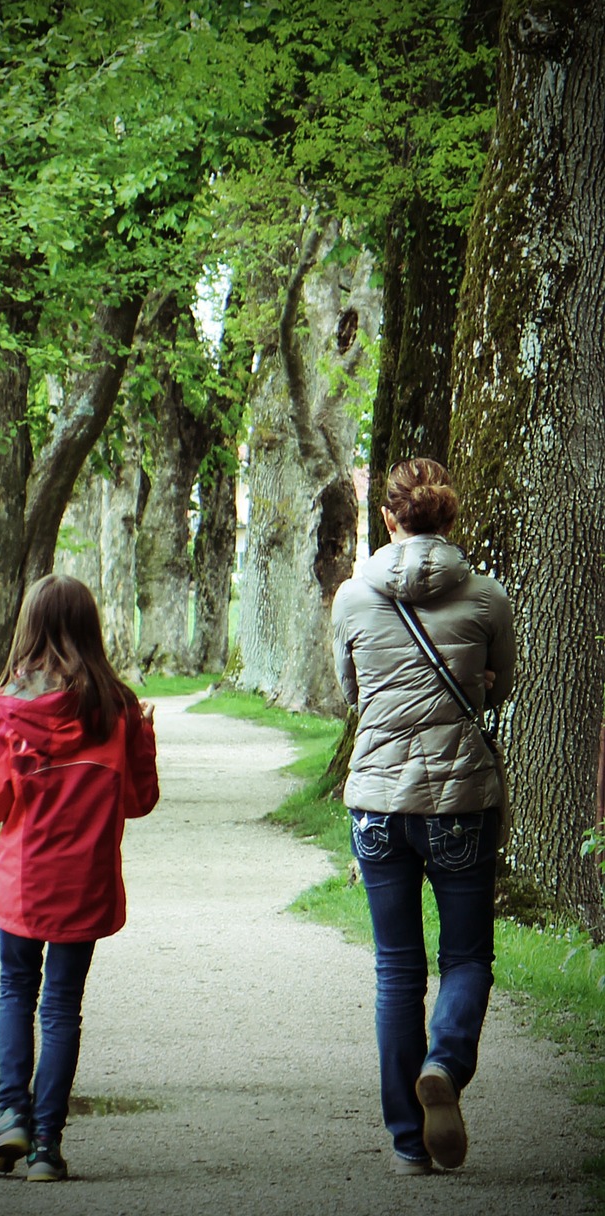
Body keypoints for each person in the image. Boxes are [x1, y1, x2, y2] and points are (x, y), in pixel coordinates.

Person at [331, 457, 516, 1177]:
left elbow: (351, 692)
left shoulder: (351, 596)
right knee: (467, 956)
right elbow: (498, 689)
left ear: (388, 518)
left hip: (378, 804)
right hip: (459, 801)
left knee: (395, 972)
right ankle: (443, 1060)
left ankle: (408, 1143)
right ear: (448, 518)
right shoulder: (487, 597)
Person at [0, 573, 159, 1182]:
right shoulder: (118, 709)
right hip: (87, 881)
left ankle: (10, 1114)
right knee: (62, 1008)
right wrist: (143, 739)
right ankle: (47, 1144)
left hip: (24, 881)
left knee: (16, 993)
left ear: (29, 626)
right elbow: (138, 799)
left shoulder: (3, 709)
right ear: (90, 629)